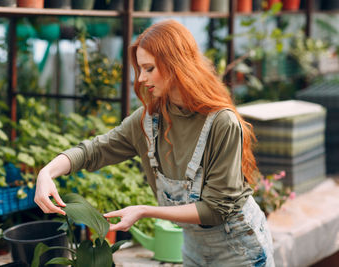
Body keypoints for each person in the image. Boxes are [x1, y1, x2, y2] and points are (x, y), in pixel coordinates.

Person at [35, 19, 274, 267]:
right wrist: (47, 172)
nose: (140, 78)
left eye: (149, 69)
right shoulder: (149, 121)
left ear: (176, 65)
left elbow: (215, 209)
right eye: (139, 69)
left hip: (239, 248)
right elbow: (96, 150)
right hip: (193, 246)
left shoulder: (222, 123)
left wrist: (144, 210)